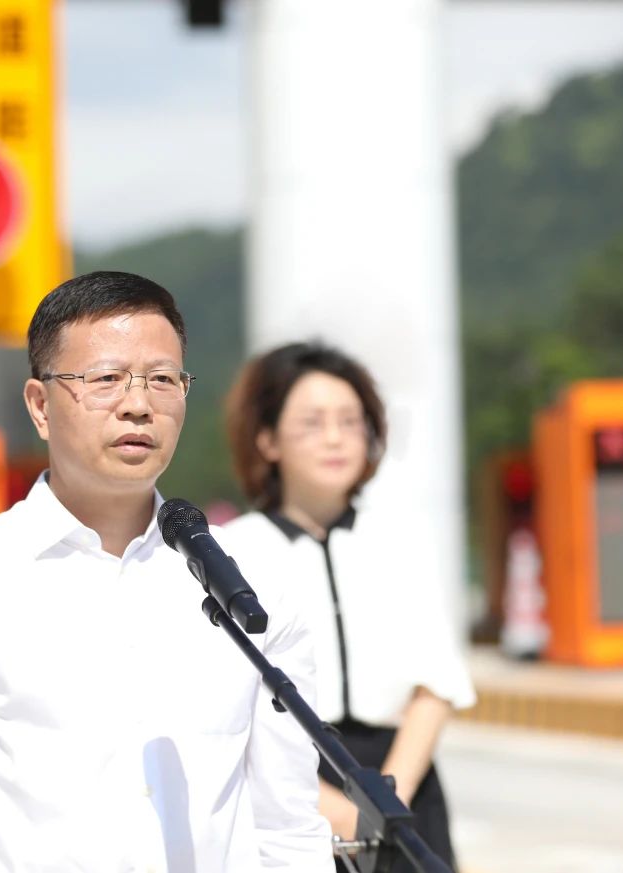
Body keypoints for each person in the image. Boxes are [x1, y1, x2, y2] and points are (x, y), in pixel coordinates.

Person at [0, 272, 329, 872]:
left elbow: (288, 829)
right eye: (106, 379)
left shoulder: (253, 585)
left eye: (163, 380)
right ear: (40, 405)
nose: (138, 404)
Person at [221, 340, 475, 872]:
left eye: (350, 421)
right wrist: (333, 809)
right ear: (267, 439)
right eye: (312, 423)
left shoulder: (402, 538)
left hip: (404, 792)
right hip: (288, 797)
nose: (335, 438)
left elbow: (437, 682)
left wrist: (387, 801)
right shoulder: (236, 550)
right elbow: (233, 703)